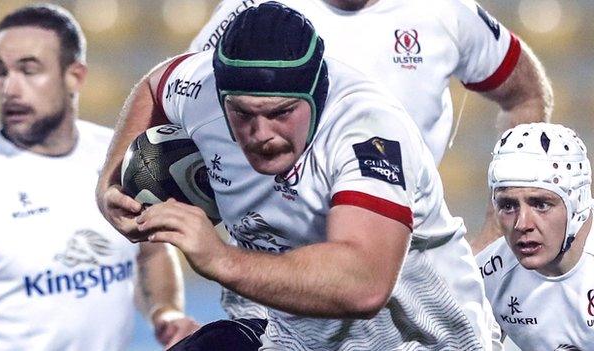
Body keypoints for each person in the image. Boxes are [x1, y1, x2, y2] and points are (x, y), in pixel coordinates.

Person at [97, 2, 500, 349]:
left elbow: (366, 284)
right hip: (298, 337)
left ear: (316, 94)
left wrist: (220, 259)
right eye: (242, 114)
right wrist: (108, 184)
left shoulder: (366, 128)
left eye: (280, 113)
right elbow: (156, 84)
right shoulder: (203, 89)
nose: (261, 135)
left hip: (421, 341)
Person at [188, 0, 553, 314]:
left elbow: (525, 95)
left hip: (405, 269)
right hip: (272, 275)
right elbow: (180, 99)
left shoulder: (445, 11)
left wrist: (495, 231)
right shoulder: (254, 15)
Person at [0, 4, 198, 350]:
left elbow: (151, 252)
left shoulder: (119, 160)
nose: (9, 88)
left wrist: (163, 312)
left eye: (29, 71)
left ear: (74, 76)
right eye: (1, 72)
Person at [475, 122, 593, 350]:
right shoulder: (485, 277)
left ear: (577, 204)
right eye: (508, 206)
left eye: (540, 204)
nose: (522, 224)